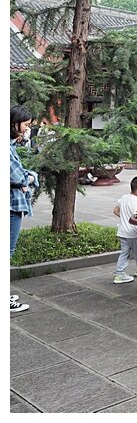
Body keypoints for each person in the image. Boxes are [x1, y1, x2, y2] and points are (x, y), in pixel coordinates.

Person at [10, 105, 38, 313]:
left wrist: (28, 177)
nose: (27, 129)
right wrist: (29, 177)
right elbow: (19, 176)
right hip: (11, 206)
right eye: (26, 125)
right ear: (14, 123)